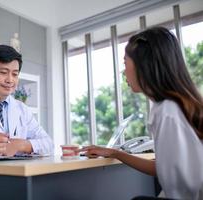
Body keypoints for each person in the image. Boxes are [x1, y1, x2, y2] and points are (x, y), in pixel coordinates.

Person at [78, 27, 203, 199]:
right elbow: (162, 168)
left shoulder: (167, 111)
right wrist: (116, 153)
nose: (123, 72)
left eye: (125, 63)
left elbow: (183, 188)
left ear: (144, 65)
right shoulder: (173, 106)